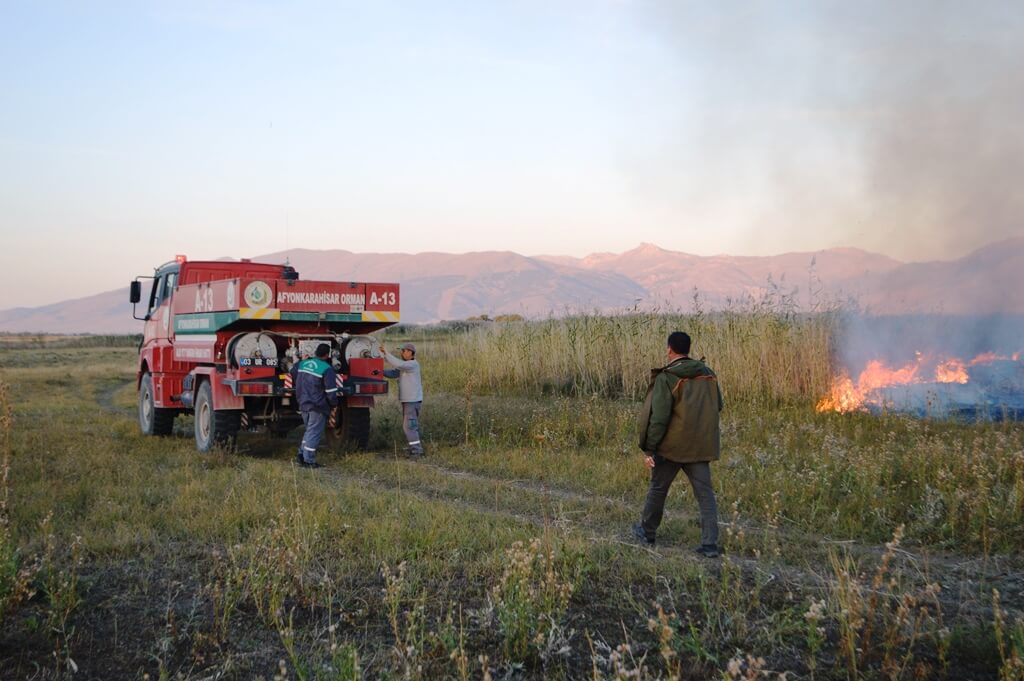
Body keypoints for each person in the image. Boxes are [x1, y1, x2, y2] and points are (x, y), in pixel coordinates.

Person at [633, 331, 723, 556]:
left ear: (669, 349)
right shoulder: (708, 374)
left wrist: (650, 448)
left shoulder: (667, 377)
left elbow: (659, 417)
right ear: (688, 349)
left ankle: (647, 532)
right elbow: (718, 405)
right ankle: (710, 544)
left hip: (672, 448)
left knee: (658, 488)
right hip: (701, 445)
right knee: (705, 495)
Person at [290, 343, 339, 469]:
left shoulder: (303, 364)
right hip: (317, 405)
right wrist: (333, 404)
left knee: (309, 431)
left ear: (316, 352)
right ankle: (309, 461)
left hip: (303, 403)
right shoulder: (327, 369)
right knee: (314, 433)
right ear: (327, 355)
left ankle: (301, 455)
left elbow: (292, 371)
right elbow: (330, 392)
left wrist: (301, 360)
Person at [379, 341, 424, 457]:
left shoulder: (412, 364)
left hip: (412, 401)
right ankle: (414, 448)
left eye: (403, 351)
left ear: (410, 352)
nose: (402, 353)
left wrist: (386, 354)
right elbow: (394, 373)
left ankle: (416, 451)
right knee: (410, 425)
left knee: (409, 426)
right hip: (408, 401)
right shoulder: (406, 366)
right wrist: (380, 372)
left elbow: (398, 365)